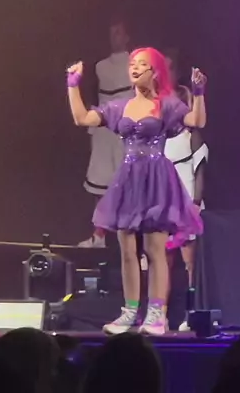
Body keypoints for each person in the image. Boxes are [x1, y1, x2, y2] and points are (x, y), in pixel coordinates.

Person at [66, 47, 207, 336]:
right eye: (132, 63)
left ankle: (156, 314)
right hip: (129, 181)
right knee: (128, 250)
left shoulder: (167, 105)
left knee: (155, 250)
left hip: (156, 179)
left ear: (154, 72)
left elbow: (197, 121)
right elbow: (82, 119)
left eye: (141, 64)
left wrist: (199, 93)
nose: (134, 68)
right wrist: (73, 85)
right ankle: (130, 312)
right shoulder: (120, 107)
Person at [162, 47, 208, 332]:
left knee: (189, 263)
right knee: (163, 262)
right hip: (165, 202)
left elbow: (200, 168)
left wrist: (196, 203)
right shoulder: (161, 138)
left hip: (187, 201)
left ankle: (191, 314)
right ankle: (160, 314)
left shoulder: (192, 136)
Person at [79, 18, 134, 248]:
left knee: (129, 185)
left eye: (119, 33)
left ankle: (132, 240)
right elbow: (97, 97)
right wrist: (94, 129)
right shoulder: (101, 66)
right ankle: (99, 235)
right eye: (112, 33)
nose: (114, 37)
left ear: (127, 37)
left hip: (126, 129)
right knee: (100, 182)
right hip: (104, 130)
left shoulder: (135, 62)